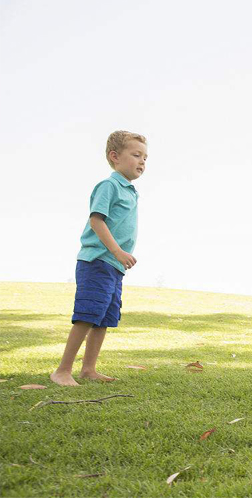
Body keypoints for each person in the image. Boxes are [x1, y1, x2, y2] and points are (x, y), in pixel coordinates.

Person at [50, 131, 147, 386]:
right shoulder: (109, 186)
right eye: (136, 155)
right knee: (87, 314)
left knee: (103, 318)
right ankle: (62, 370)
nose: (142, 161)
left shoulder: (131, 192)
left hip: (114, 267)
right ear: (115, 157)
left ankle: (88, 369)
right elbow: (96, 220)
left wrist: (118, 258)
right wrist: (117, 251)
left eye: (145, 157)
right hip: (97, 261)